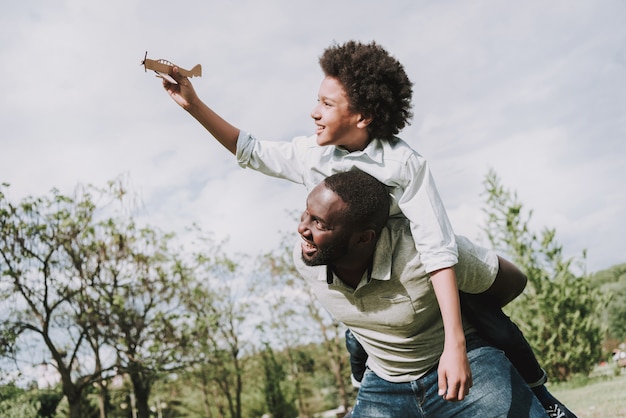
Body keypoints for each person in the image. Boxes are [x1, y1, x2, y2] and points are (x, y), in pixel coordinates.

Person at [157, 40, 575, 416]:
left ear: (361, 116)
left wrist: (455, 343)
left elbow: (437, 247)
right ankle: (365, 359)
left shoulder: (402, 165)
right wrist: (193, 103)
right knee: (360, 330)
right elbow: (251, 150)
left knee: (481, 315)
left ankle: (539, 395)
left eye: (326, 104)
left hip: (415, 279)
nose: (313, 112)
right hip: (367, 289)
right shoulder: (312, 155)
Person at [295, 169, 548, 417]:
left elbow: (512, 281)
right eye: (307, 214)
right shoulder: (307, 257)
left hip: (465, 361)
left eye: (319, 223)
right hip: (384, 380)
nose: (302, 229)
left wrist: (461, 329)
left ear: (364, 239)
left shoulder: (424, 252)